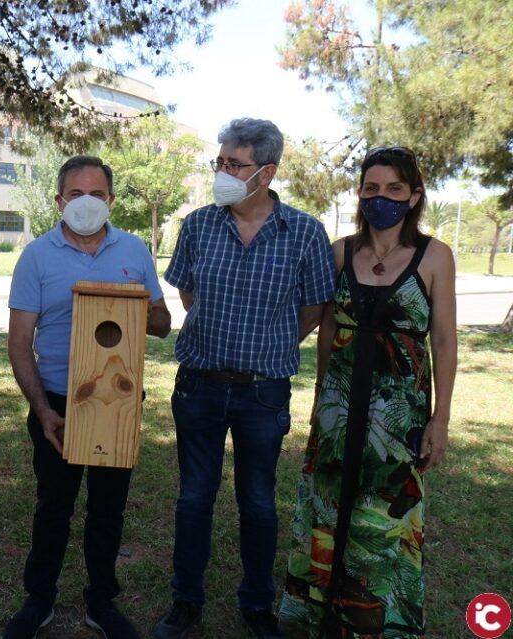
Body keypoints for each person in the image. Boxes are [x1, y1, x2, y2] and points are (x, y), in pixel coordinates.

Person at [152, 118, 335, 639]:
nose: (223, 173)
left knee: (257, 500)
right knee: (194, 498)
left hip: (263, 391)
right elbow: (187, 295)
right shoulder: (198, 224)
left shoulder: (304, 232)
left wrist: (266, 344)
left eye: (235, 164)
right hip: (199, 385)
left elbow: (314, 307)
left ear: (267, 172)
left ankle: (257, 604)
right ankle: (185, 601)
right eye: (221, 162)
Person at [279, 147, 457, 638]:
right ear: (360, 193)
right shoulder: (340, 251)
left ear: (414, 195)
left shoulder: (435, 256)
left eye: (394, 189)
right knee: (328, 504)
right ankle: (318, 614)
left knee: (385, 516)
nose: (382, 198)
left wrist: (440, 419)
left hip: (398, 417)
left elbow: (443, 339)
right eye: (372, 188)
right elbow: (328, 324)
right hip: (338, 408)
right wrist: (319, 396)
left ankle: (378, 622)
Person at [2, 155, 172, 639]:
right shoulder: (37, 255)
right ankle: (39, 600)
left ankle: (102, 602)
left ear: (111, 200)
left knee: (107, 507)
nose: (86, 203)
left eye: (96, 194)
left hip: (117, 402)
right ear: (59, 200)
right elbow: (18, 343)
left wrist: (140, 303)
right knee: (53, 504)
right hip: (56, 400)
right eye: (75, 194)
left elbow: (161, 325)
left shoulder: (135, 250)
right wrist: (42, 409)